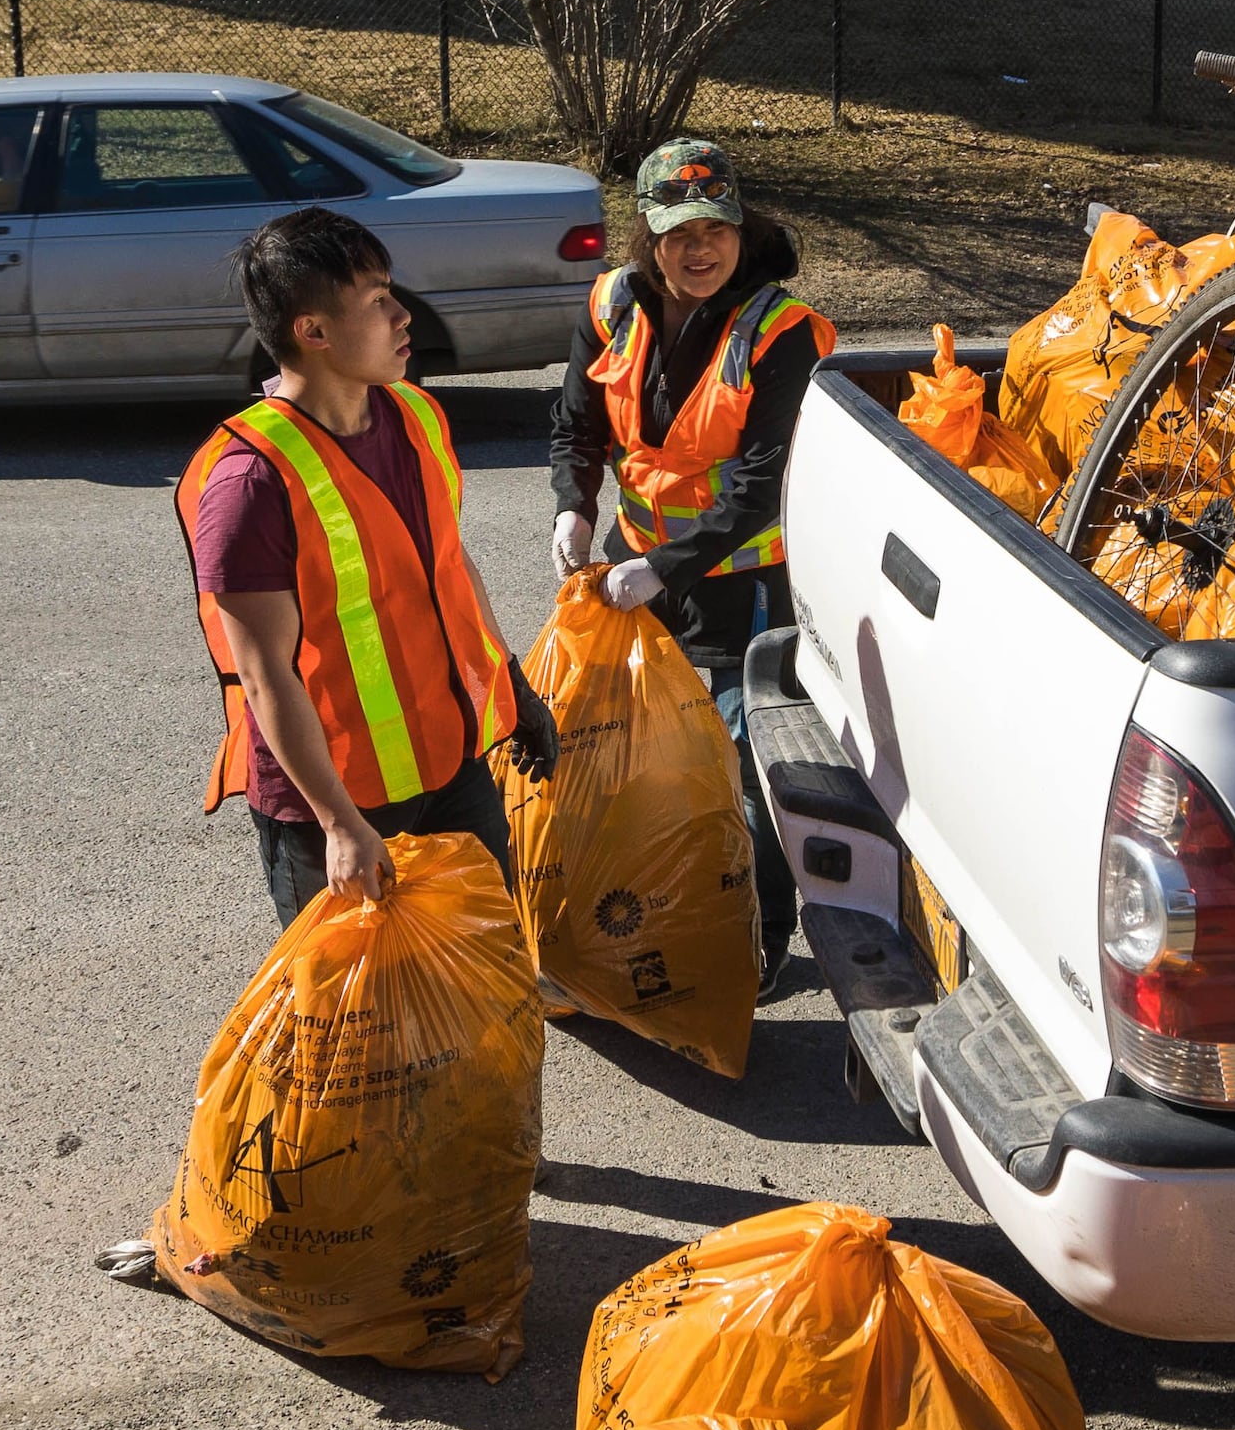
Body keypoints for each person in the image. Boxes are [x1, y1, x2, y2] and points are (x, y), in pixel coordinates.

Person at [179, 203, 559, 924]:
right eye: (377, 300)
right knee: (360, 1026)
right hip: (336, 805)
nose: (403, 314)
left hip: (451, 770)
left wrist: (512, 687)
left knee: (484, 977)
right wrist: (338, 823)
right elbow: (266, 676)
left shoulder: (416, 415)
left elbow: (450, 570)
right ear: (313, 331)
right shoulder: (250, 481)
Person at [546, 137, 834, 990]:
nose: (700, 248)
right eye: (679, 231)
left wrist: (663, 566)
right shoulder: (611, 304)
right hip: (634, 576)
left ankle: (765, 936)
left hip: (736, 588)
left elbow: (761, 480)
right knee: (636, 754)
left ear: (742, 227)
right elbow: (577, 422)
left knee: (748, 768)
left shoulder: (783, 331)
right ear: (648, 233)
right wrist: (574, 500)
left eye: (716, 226)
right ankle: (663, 911)